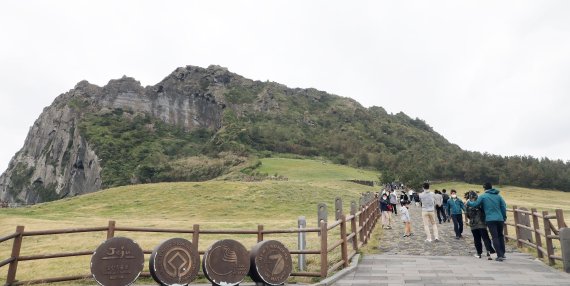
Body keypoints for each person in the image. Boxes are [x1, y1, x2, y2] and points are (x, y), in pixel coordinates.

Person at [466, 182, 507, 261]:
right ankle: (502, 253)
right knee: (500, 236)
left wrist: (468, 202)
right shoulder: (499, 196)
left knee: (494, 237)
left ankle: (499, 255)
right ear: (492, 187)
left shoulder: (483, 196)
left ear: (484, 188)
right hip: (500, 219)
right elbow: (503, 207)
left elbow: (475, 204)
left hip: (490, 219)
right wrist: (503, 217)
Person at [464, 190, 495, 260]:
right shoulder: (481, 202)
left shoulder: (467, 204)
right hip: (482, 223)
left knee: (477, 239)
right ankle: (489, 251)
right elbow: (485, 211)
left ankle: (479, 253)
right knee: (485, 238)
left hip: (473, 224)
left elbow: (467, 214)